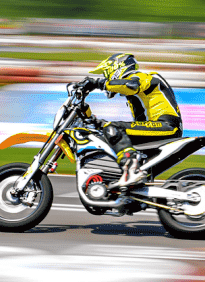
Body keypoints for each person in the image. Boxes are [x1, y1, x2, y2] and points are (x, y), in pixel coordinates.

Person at [77, 53, 182, 187]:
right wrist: (88, 115)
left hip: (166, 125)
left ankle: (131, 168)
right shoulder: (133, 95)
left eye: (106, 74)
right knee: (109, 131)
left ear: (116, 68)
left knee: (113, 127)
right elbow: (138, 122)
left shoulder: (143, 77)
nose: (106, 77)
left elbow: (132, 85)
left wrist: (98, 83)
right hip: (157, 126)